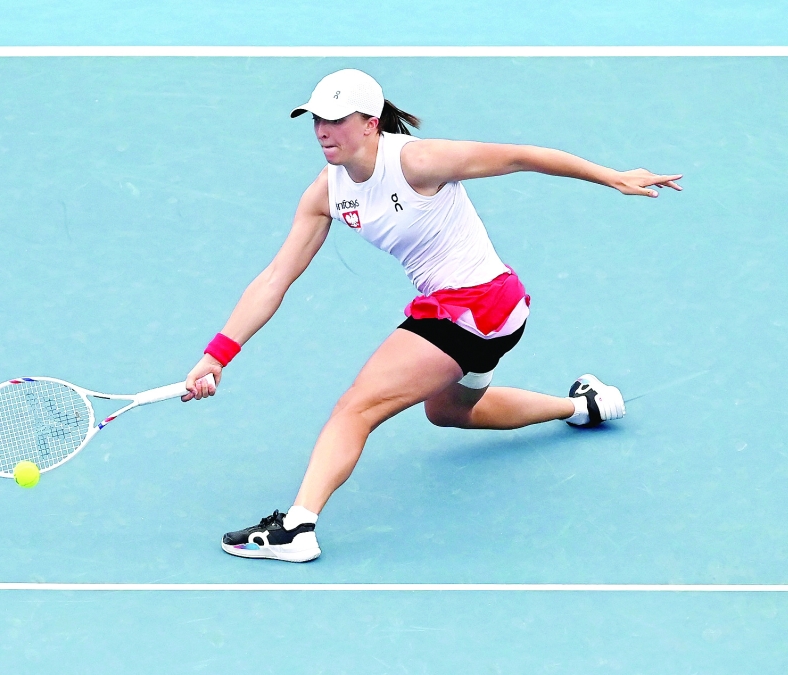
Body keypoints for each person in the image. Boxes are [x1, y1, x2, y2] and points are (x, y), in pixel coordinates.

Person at [182, 69, 682, 562]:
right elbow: (275, 278)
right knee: (449, 412)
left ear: (370, 122)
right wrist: (216, 355)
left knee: (355, 408)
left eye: (335, 120)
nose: (322, 131)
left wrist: (612, 176)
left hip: (474, 304)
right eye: (315, 120)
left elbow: (516, 157)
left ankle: (299, 526)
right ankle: (583, 406)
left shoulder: (416, 161)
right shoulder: (327, 192)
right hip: (495, 313)